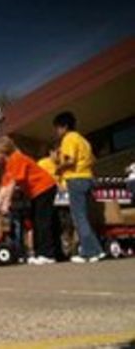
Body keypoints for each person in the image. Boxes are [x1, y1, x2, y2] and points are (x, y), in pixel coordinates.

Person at [0, 136, 58, 265]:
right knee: (35, 222)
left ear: (2, 151)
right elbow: (5, 186)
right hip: (35, 192)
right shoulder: (8, 164)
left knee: (42, 221)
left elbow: (13, 183)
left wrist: (6, 203)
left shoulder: (17, 158)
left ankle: (47, 254)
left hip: (44, 188)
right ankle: (41, 253)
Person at [53, 111, 104, 263]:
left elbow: (70, 160)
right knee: (84, 217)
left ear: (64, 126)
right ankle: (97, 250)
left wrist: (58, 167)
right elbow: (93, 160)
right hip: (87, 177)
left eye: (57, 128)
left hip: (75, 179)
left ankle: (89, 252)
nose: (56, 132)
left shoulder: (68, 138)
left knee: (79, 218)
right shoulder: (83, 141)